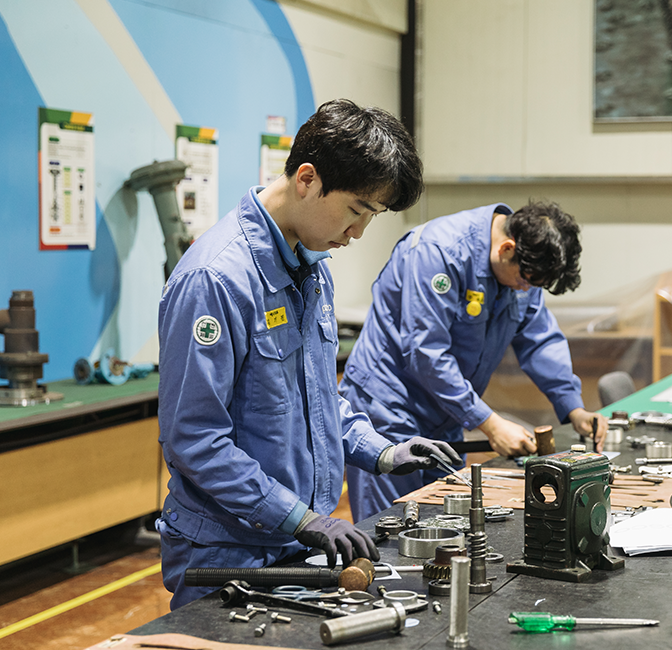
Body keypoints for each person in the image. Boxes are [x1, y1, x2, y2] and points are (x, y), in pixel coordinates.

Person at [155, 99, 460, 610]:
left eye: (373, 216)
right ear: (307, 179)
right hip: (230, 553)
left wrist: (382, 451)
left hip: (296, 546)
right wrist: (301, 517)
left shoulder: (311, 269)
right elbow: (195, 439)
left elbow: (316, 401)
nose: (358, 232)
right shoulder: (216, 279)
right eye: (357, 210)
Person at [339, 201, 607, 522]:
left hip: (445, 412)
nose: (526, 288)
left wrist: (573, 407)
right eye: (525, 279)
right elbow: (426, 353)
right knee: (390, 531)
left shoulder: (524, 267)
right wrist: (490, 423)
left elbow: (540, 339)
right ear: (507, 248)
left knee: (444, 525)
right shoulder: (438, 253)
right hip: (390, 410)